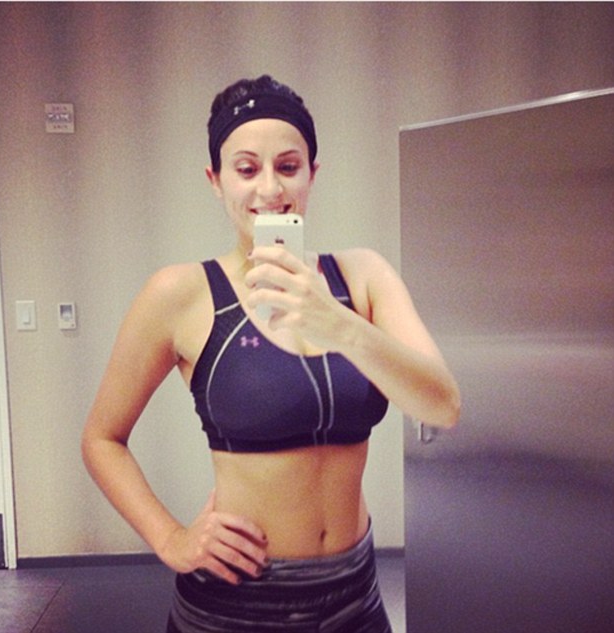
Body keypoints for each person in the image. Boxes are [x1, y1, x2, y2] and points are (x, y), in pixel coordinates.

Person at [81, 74, 460, 632]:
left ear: (312, 174)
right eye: (246, 169)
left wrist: (338, 324)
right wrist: (171, 538)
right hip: (237, 600)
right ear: (215, 181)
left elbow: (442, 406)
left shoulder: (363, 276)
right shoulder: (181, 294)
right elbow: (101, 439)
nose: (269, 189)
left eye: (287, 166)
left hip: (355, 595)